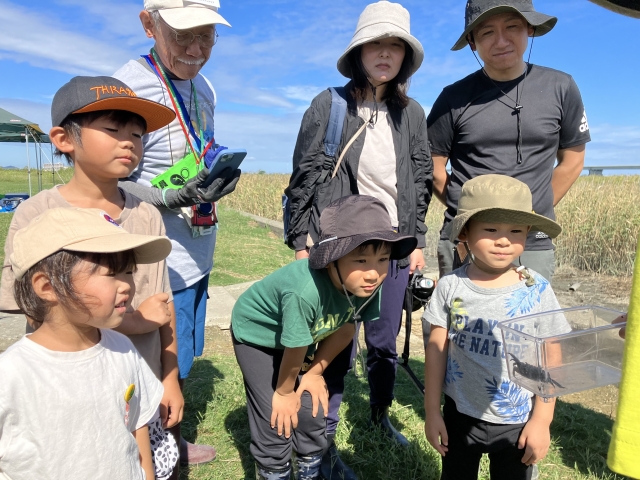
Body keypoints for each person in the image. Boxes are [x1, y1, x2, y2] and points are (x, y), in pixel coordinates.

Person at [0, 76, 182, 479]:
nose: (129, 142)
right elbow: (31, 308)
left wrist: (170, 379)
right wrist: (136, 319)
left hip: (139, 382)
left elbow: (163, 309)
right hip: (66, 389)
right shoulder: (35, 215)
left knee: (135, 460)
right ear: (65, 139)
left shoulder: (146, 215)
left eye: (137, 133)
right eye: (114, 130)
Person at [284, 2, 432, 476]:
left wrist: (419, 241)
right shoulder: (329, 106)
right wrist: (301, 243)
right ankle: (322, 438)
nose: (385, 53)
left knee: (385, 340)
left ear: (405, 56)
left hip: (391, 247)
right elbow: (303, 177)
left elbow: (420, 180)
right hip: (340, 248)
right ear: (359, 51)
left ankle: (378, 413)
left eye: (395, 45)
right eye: (376, 43)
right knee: (334, 341)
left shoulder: (412, 115)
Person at [113, 0, 241, 466]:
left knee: (182, 354)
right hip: (154, 255)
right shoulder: (128, 85)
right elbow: (111, 177)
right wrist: (166, 199)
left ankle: (167, 440)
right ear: (148, 25)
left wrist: (216, 177)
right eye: (182, 34)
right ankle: (153, 450)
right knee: (154, 357)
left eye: (206, 35)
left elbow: (196, 149)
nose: (196, 48)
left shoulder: (204, 86)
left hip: (198, 246)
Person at [232, 195, 417, 480]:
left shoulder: (367, 285)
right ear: (332, 260)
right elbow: (297, 344)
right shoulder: (304, 292)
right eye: (361, 259)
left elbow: (344, 329)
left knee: (311, 408)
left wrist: (315, 373)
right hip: (258, 334)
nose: (374, 272)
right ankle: (273, 469)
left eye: (382, 260)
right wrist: (283, 392)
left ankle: (310, 470)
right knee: (276, 417)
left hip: (301, 336)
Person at [0, 207, 173, 480]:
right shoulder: (11, 374)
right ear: (47, 287)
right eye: (111, 273)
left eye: (128, 272)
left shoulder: (122, 349)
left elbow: (137, 425)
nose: (127, 285)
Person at [428, 0, 591, 282]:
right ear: (472, 42)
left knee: (528, 322)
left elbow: (573, 159)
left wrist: (528, 210)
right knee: (458, 321)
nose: (501, 41)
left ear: (529, 28)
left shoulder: (561, 87)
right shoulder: (452, 98)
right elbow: (433, 167)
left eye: (512, 27)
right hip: (465, 239)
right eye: (487, 32)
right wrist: (465, 208)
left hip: (531, 241)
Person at [423, 175, 570, 480]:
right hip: (459, 414)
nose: (503, 240)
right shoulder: (451, 286)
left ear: (528, 233)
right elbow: (436, 350)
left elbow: (552, 356)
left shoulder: (537, 290)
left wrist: (542, 420)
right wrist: (432, 411)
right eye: (490, 229)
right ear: (465, 232)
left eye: (515, 231)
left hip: (518, 418)